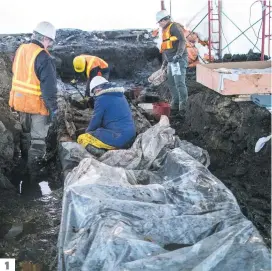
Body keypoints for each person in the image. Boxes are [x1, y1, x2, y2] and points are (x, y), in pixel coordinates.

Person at [9, 21, 58, 178]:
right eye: (50, 41)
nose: (49, 45)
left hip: (20, 103)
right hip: (37, 106)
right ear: (44, 38)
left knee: (25, 135)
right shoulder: (44, 57)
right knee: (38, 141)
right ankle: (34, 176)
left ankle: (23, 164)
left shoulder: (21, 50)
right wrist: (54, 110)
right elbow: (49, 90)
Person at [77, 76, 136, 156]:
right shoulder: (120, 95)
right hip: (131, 136)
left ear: (97, 89)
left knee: (82, 138)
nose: (95, 95)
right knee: (100, 131)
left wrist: (88, 133)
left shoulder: (101, 99)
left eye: (94, 93)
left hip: (119, 139)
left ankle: (105, 155)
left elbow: (96, 121)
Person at [156, 10, 188, 113]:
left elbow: (182, 41)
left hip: (178, 60)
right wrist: (165, 62)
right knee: (171, 82)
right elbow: (166, 47)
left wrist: (179, 55)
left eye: (160, 22)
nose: (159, 24)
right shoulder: (165, 30)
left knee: (179, 83)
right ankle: (175, 103)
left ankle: (183, 107)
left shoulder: (174, 27)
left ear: (165, 20)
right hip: (171, 61)